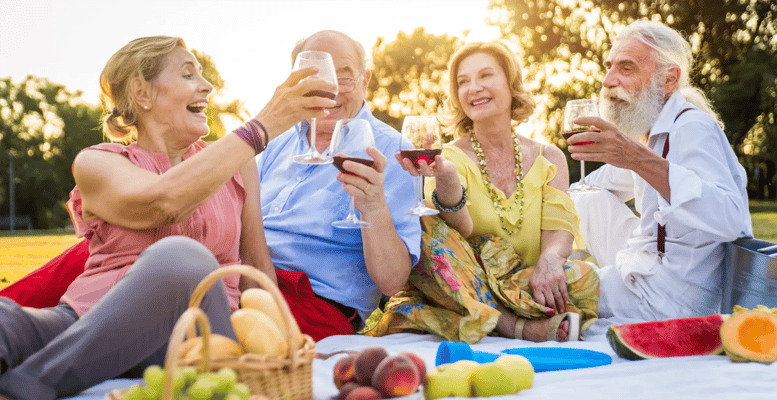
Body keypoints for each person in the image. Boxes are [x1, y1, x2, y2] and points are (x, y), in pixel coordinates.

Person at [0, 36, 335, 399]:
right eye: (189, 74)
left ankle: (27, 386)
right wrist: (261, 126)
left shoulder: (237, 166)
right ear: (142, 92)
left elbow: (257, 269)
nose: (207, 86)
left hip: (197, 340)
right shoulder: (98, 162)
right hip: (87, 323)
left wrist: (280, 345)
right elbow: (163, 202)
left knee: (184, 258)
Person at [365, 41, 599, 344]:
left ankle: (480, 314)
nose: (473, 87)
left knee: (585, 276)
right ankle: (517, 325)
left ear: (510, 83)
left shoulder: (549, 157)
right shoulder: (447, 157)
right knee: (426, 228)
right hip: (463, 282)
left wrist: (551, 260)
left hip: (523, 281)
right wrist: (446, 175)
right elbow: (458, 229)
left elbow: (559, 229)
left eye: (485, 75)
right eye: (463, 82)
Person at [566, 20, 752, 320]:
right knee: (583, 197)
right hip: (645, 264)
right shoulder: (651, 130)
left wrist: (639, 159)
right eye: (609, 66)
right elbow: (590, 187)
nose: (608, 80)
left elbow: (731, 218)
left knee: (546, 287)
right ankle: (558, 267)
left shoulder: (692, 127)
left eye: (626, 68)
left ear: (668, 79)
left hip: (673, 299)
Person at [257, 30, 422, 336]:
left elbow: (392, 280)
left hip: (312, 304)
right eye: (315, 76)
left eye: (344, 76)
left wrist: (372, 207)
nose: (329, 88)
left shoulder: (393, 151)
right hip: (246, 280)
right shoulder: (275, 142)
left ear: (365, 80)